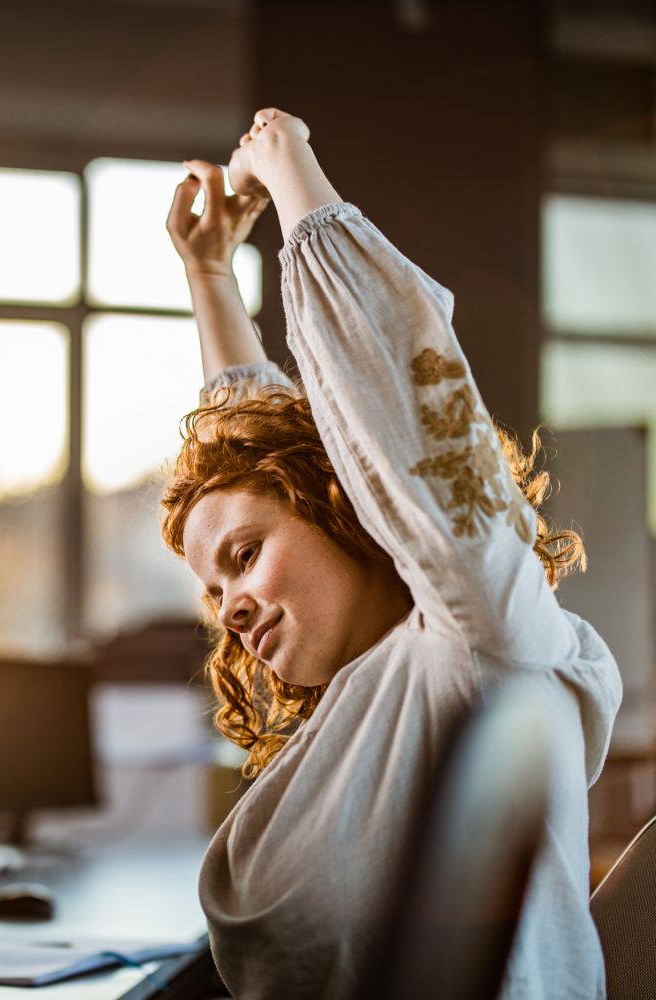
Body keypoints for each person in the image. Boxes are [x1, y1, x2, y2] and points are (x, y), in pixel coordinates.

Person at [161, 108, 622, 999]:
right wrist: (211, 273)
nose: (231, 608)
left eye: (247, 559)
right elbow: (266, 437)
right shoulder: (360, 702)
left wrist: (292, 173)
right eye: (216, 590)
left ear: (347, 508)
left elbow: (396, 411)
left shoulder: (480, 648)